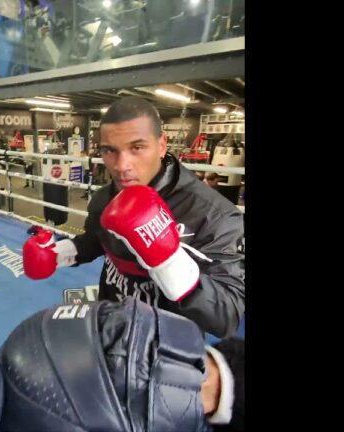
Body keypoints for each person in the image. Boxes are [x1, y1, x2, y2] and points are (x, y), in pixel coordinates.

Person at [22, 96, 245, 338]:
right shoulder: (106, 197)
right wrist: (58, 254)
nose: (121, 166)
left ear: (162, 145)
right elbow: (98, 240)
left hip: (168, 345)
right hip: (112, 320)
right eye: (110, 151)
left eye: (137, 147)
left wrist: (168, 260)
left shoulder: (214, 214)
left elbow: (226, 315)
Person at [0, 298, 244, 431]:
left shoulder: (214, 217)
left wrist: (208, 384)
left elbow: (226, 309)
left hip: (157, 346)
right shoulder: (106, 202)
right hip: (128, 327)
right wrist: (71, 250)